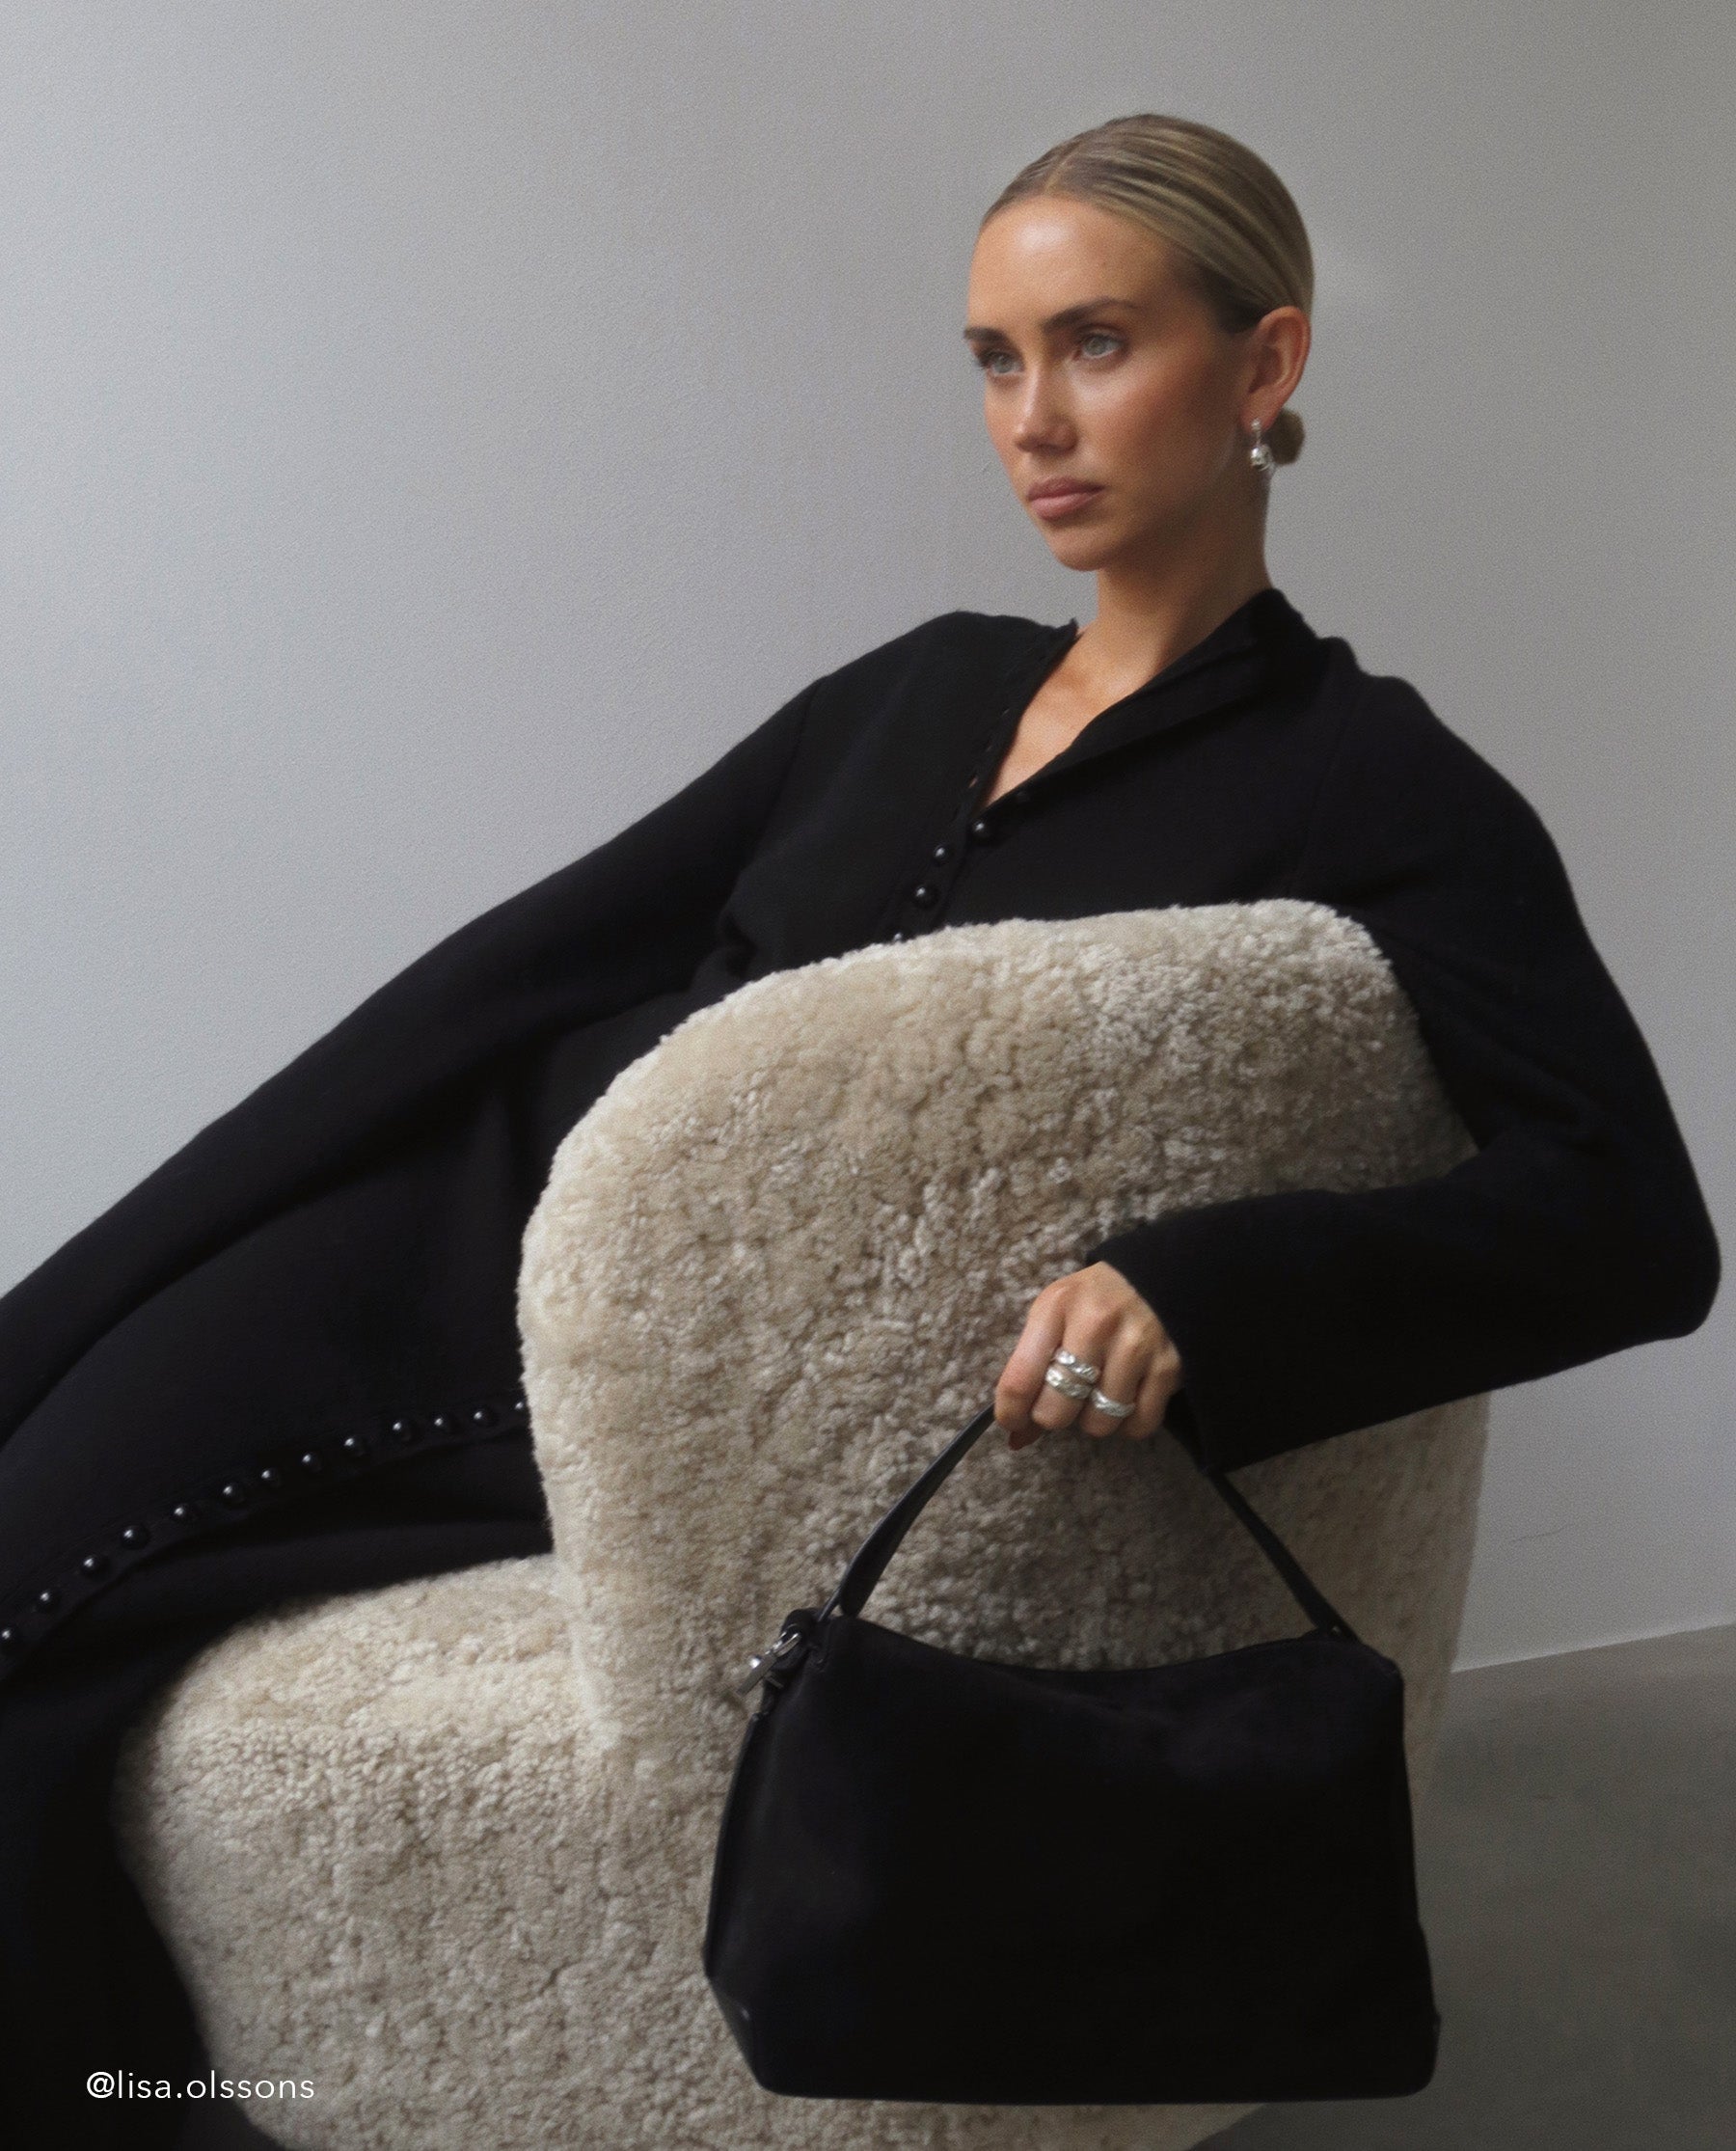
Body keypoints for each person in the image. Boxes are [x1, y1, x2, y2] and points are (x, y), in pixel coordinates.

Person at [0, 111, 1719, 2150]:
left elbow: (1631, 1217)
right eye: (996, 358)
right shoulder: (918, 686)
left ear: (1264, 364)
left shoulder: (1378, 782)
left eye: (1095, 342)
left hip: (638, 1381)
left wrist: (1209, 1285)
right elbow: (519, 974)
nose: (1033, 418)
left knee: (36, 1577)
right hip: (431, 1232)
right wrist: (131, 1259)